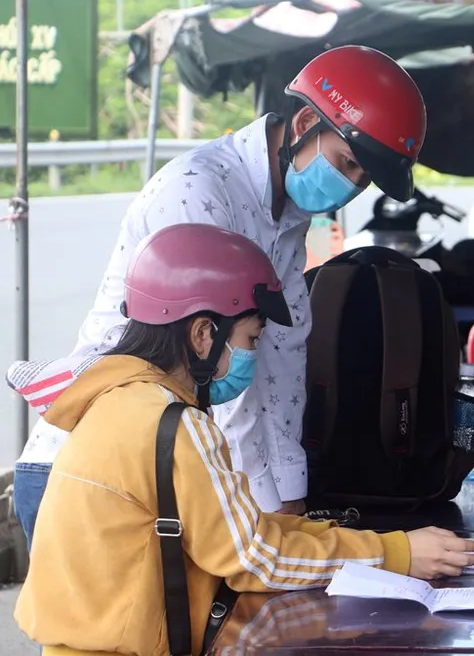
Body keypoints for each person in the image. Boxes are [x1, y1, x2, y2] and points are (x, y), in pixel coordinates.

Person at [13, 45, 427, 542]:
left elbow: (285, 357)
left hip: (162, 474)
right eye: (348, 164)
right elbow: (215, 362)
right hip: (87, 472)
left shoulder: (287, 219)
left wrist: (290, 495)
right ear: (302, 127)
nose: (351, 187)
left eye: (364, 180)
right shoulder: (199, 194)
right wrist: (263, 514)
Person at [11, 223, 474, 656]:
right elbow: (254, 558)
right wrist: (396, 554)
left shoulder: (119, 401)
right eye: (252, 339)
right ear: (202, 334)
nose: (251, 356)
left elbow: (242, 527)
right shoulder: (172, 423)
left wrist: (372, 539)